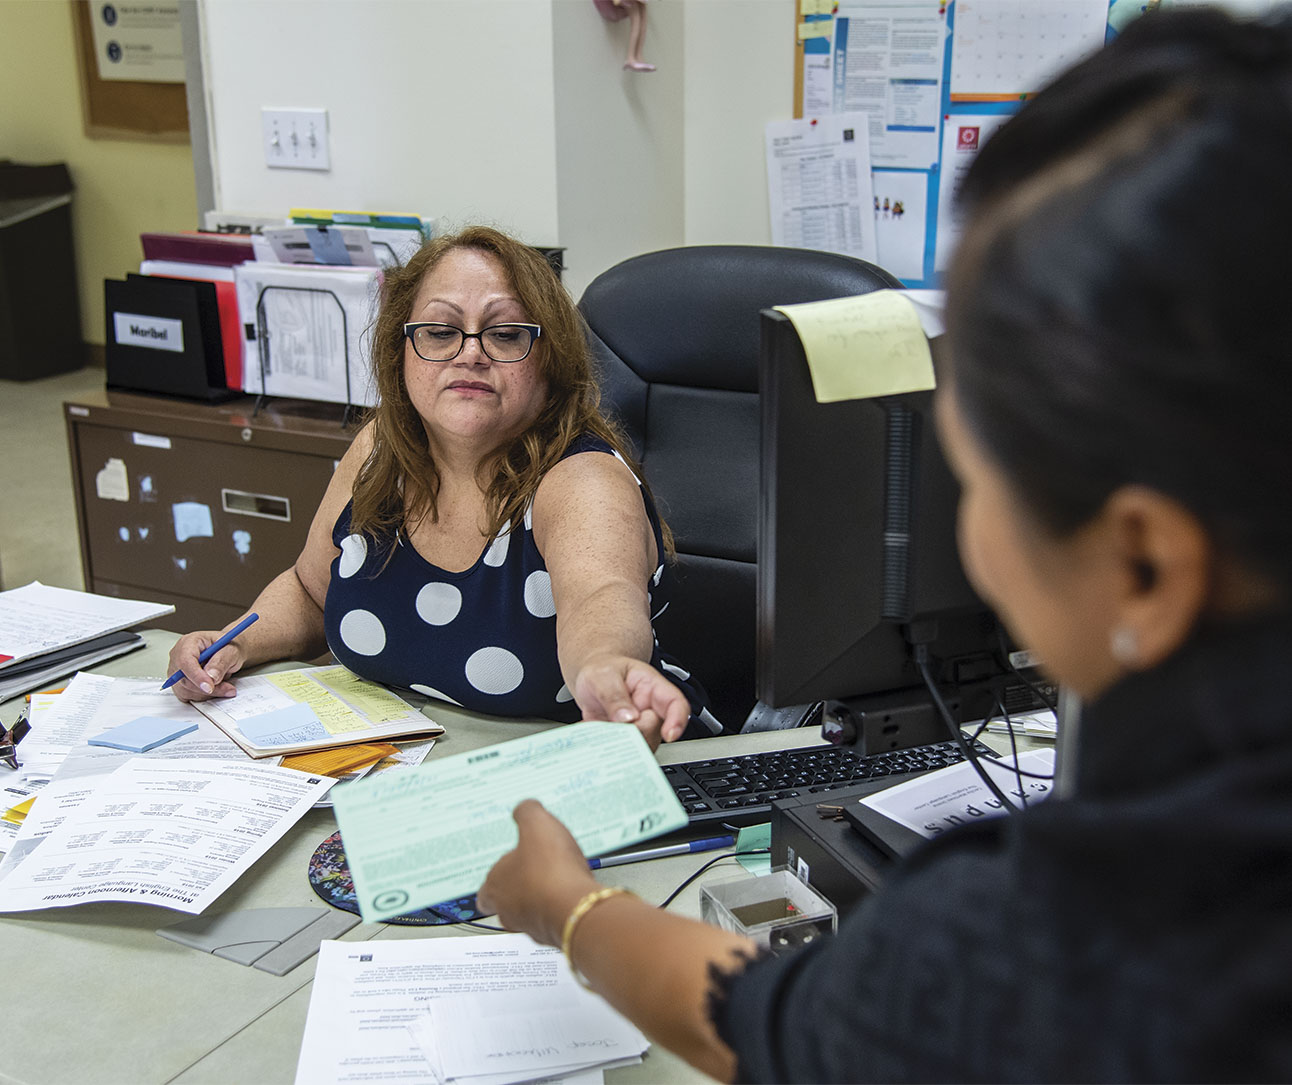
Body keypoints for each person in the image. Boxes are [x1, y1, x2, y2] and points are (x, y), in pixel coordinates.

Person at [478, 8, 1292, 1081]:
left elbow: (762, 1017)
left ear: (1142, 567)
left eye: (979, 475)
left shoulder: (1077, 941)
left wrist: (566, 905)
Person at [167, 226, 718, 747]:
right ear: (401, 351)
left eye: (505, 334)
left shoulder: (581, 478)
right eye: (439, 331)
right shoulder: (381, 446)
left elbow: (601, 599)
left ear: (550, 362)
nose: (470, 352)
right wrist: (228, 645)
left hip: (590, 770)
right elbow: (312, 591)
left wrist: (606, 670)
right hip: (416, 767)